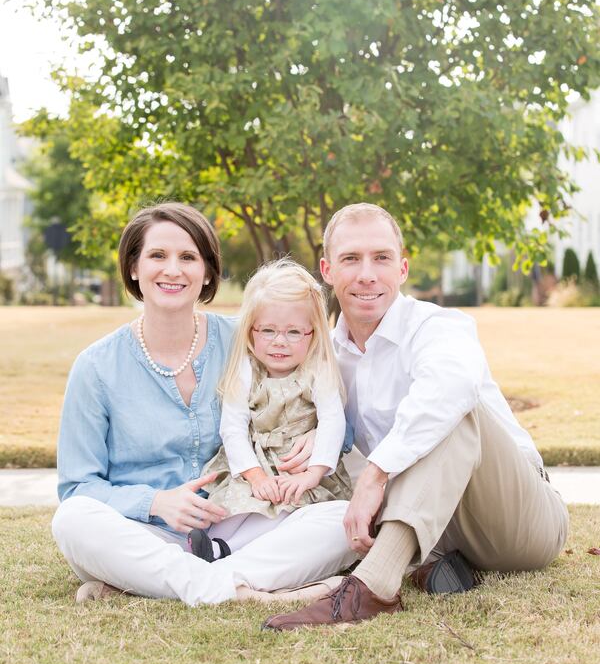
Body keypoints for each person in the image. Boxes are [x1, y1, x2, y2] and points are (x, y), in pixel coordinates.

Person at [263, 203, 569, 630]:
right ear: (328, 270)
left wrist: (377, 472)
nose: (367, 273)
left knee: (455, 412)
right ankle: (431, 564)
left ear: (402, 268)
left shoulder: (438, 327)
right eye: (351, 259)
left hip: (519, 519)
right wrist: (322, 435)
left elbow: (450, 393)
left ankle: (372, 589)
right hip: (436, 522)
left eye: (382, 258)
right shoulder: (327, 358)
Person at [51, 202, 356, 606]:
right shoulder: (96, 367)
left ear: (208, 271)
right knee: (73, 522)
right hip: (145, 533)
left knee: (342, 520)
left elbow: (327, 405)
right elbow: (78, 488)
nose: (172, 270)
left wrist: (317, 432)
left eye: (188, 257)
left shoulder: (249, 339)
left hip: (242, 525)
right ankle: (237, 588)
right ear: (133, 268)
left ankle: (175, 585)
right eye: (157, 255)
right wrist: (156, 502)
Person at [187, 259, 353, 561]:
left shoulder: (318, 371)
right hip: (255, 464)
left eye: (293, 332)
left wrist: (312, 475)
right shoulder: (247, 369)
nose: (280, 342)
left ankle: (228, 552)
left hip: (298, 469)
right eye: (268, 331)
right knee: (237, 504)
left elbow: (332, 422)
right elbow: (233, 427)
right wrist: (256, 477)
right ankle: (209, 545)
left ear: (312, 335)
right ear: (251, 332)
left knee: (286, 509)